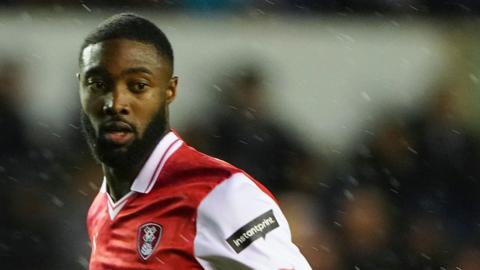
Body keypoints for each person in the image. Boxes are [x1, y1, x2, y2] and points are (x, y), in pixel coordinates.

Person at [78, 13, 311, 269]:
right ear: (80, 88)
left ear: (169, 91)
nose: (116, 103)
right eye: (98, 84)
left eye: (138, 86)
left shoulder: (222, 196)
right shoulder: (101, 207)